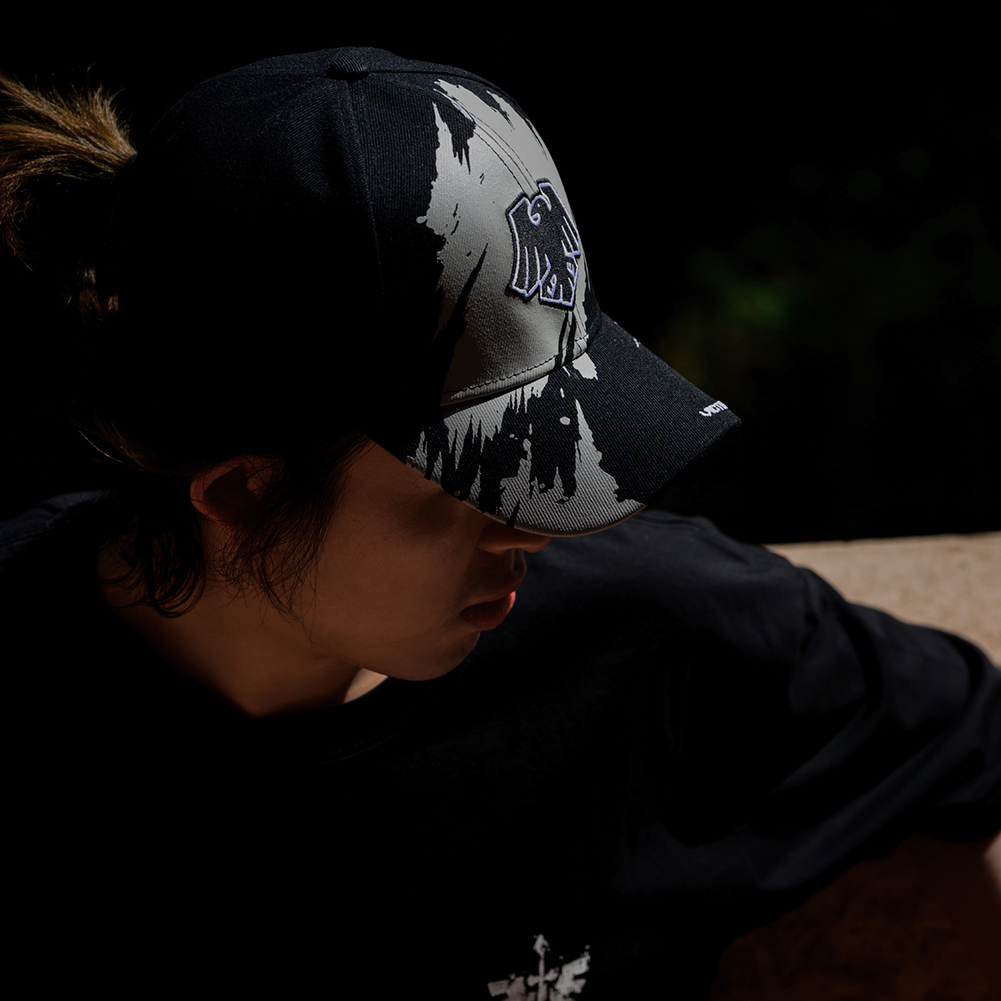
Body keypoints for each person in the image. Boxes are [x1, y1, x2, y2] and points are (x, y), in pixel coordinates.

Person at [1, 48, 998, 998]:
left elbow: (973, 740)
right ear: (242, 492)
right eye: (470, 479)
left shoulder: (670, 634)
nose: (538, 531)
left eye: (557, 447)